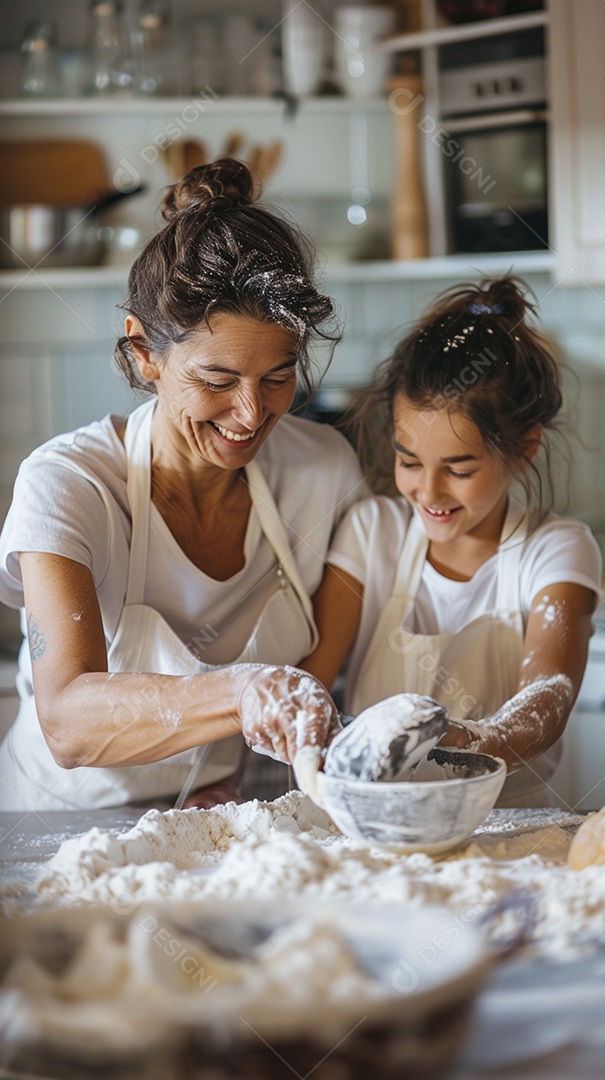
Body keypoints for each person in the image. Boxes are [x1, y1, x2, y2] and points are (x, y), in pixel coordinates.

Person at [0, 158, 367, 813]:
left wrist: (240, 778)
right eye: (217, 382)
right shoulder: (68, 485)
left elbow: (314, 688)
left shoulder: (323, 469)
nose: (251, 415)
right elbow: (65, 720)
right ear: (144, 353)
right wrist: (242, 691)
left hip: (216, 820)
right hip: (56, 836)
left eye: (279, 377)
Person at [301, 276, 602, 807]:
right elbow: (312, 682)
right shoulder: (373, 533)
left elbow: (546, 700)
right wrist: (315, 752)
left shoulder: (556, 549)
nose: (429, 491)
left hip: (508, 837)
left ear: (525, 447)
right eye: (409, 462)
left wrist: (452, 741)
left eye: (459, 469)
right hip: (376, 826)